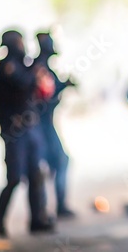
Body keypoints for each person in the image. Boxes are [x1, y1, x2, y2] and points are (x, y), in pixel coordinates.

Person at [0, 30, 55, 237]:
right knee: (14, 178)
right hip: (15, 131)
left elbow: (36, 82)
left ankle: (38, 219)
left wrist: (43, 56)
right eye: (18, 42)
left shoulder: (24, 64)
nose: (21, 46)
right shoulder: (7, 67)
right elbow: (25, 82)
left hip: (31, 128)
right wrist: (41, 58)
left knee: (36, 175)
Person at [32, 32, 75, 218]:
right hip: (40, 126)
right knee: (41, 168)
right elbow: (43, 99)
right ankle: (44, 211)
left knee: (57, 163)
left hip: (45, 125)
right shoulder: (39, 69)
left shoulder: (43, 68)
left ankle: (53, 208)